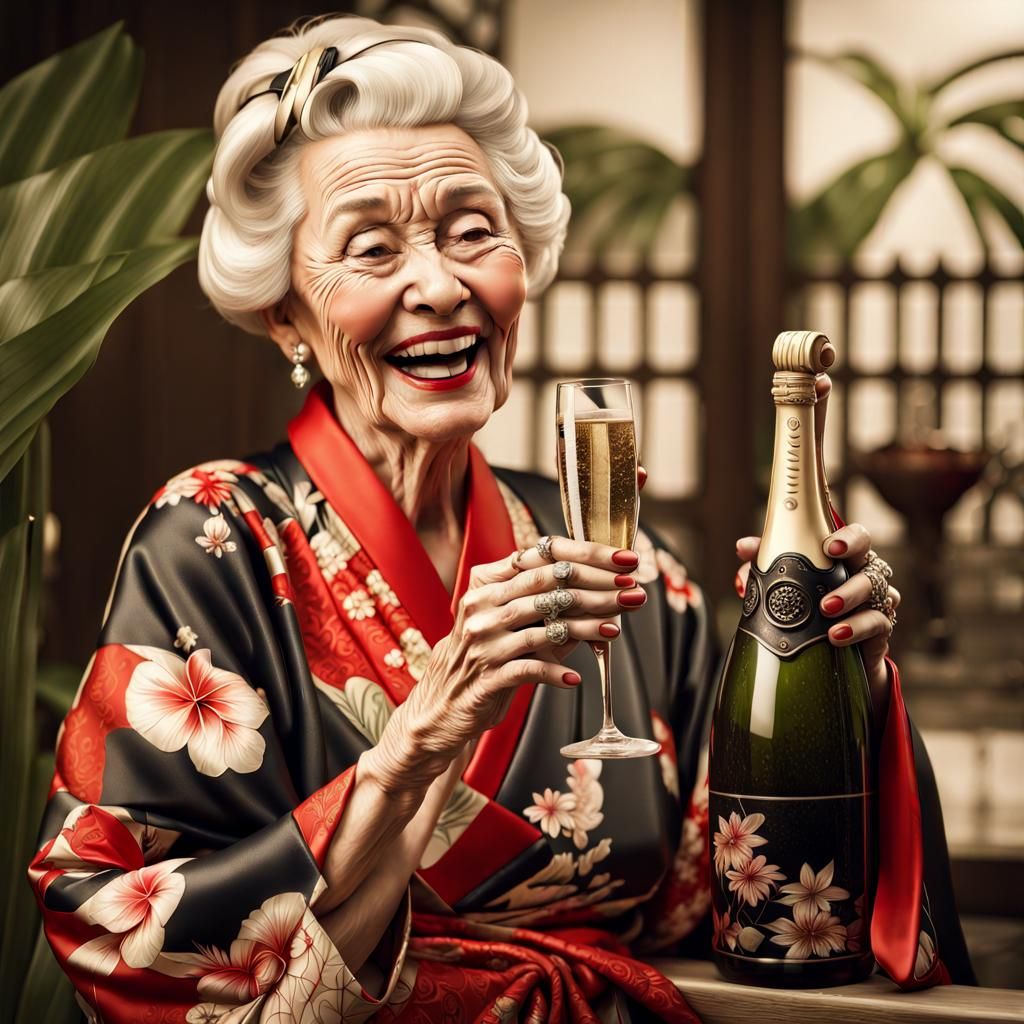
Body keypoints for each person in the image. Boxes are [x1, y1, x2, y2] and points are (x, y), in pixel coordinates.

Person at [28, 15, 973, 1022]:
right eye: (370, 246)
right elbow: (119, 929)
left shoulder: (624, 569)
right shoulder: (211, 540)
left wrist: (844, 685)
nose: (439, 286)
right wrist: (415, 746)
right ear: (285, 312)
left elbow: (775, 905)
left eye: (473, 231)